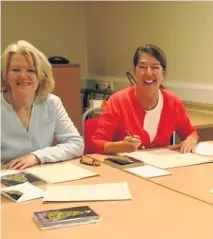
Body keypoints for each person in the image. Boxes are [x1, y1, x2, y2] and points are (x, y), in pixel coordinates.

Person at [91, 44, 198, 154]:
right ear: (135, 71)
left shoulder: (173, 102)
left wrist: (191, 140)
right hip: (125, 167)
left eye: (155, 67)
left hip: (162, 166)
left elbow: (191, 133)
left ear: (163, 73)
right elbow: (96, 142)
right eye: (142, 67)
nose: (148, 73)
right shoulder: (118, 101)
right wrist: (121, 146)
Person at [1, 40, 84, 170]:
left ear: (41, 76)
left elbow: (76, 144)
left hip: (43, 176)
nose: (23, 76)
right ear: (5, 76)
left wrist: (37, 157)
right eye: (15, 70)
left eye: (31, 70)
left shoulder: (52, 103)